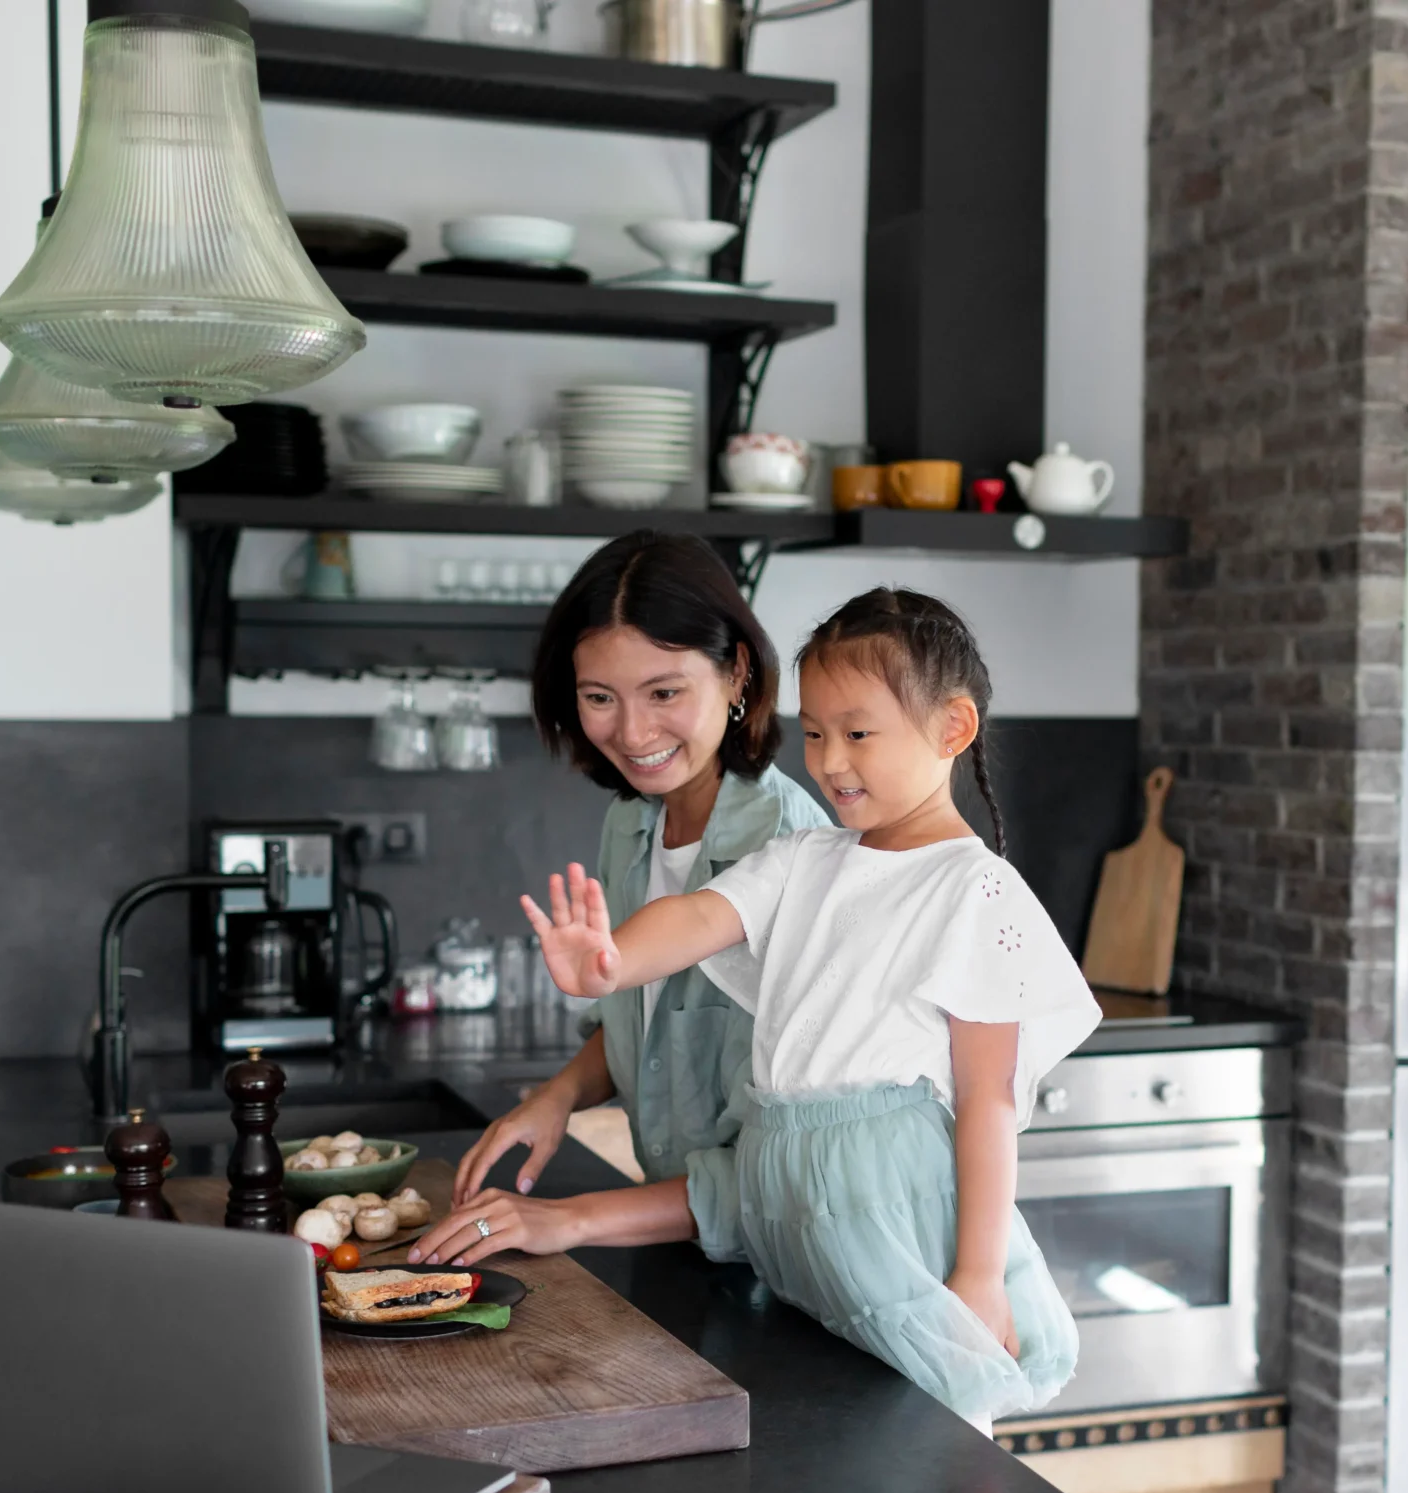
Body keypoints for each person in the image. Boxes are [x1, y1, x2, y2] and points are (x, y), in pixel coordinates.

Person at [415, 589, 1097, 1426]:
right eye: (813, 733)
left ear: (952, 730)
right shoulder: (804, 858)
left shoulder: (974, 889)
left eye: (858, 733)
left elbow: (989, 1100)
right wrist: (610, 963)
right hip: (791, 1226)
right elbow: (701, 916)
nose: (831, 761)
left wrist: (980, 1277)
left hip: (902, 1233)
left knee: (930, 1451)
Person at [445, 530, 827, 1206]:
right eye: (599, 697)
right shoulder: (631, 823)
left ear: (737, 671)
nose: (632, 732)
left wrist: (571, 1219)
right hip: (689, 1254)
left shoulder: (790, 849)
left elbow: (784, 1168)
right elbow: (641, 1032)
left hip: (786, 1269)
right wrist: (557, 1097)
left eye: (663, 692)